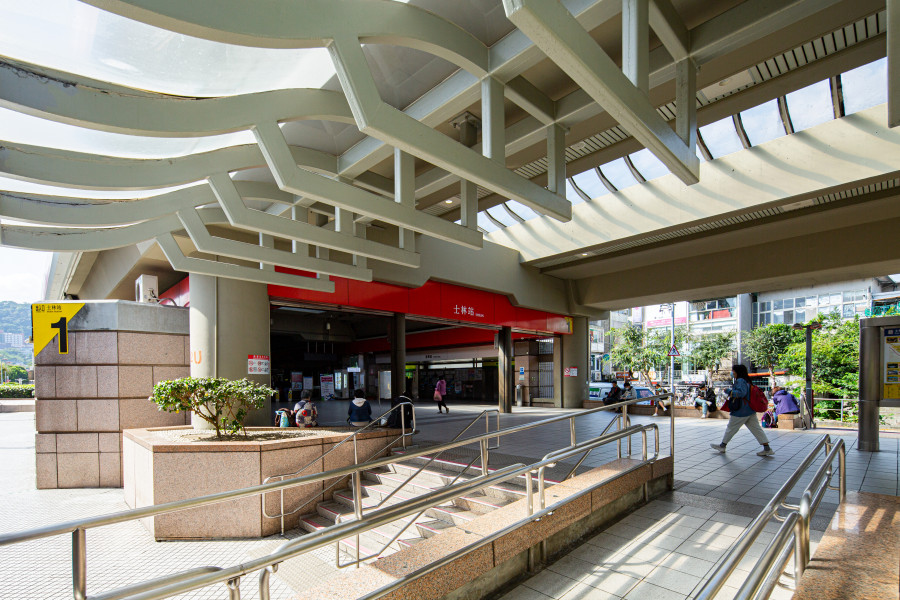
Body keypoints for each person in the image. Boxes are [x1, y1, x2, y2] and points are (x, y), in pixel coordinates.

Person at [710, 364, 774, 457]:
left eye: (733, 371)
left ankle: (722, 446)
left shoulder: (740, 381)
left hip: (741, 410)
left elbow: (741, 393)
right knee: (756, 429)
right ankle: (767, 448)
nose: (732, 372)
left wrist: (728, 391)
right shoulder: (747, 380)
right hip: (749, 410)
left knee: (731, 428)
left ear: (737, 372)